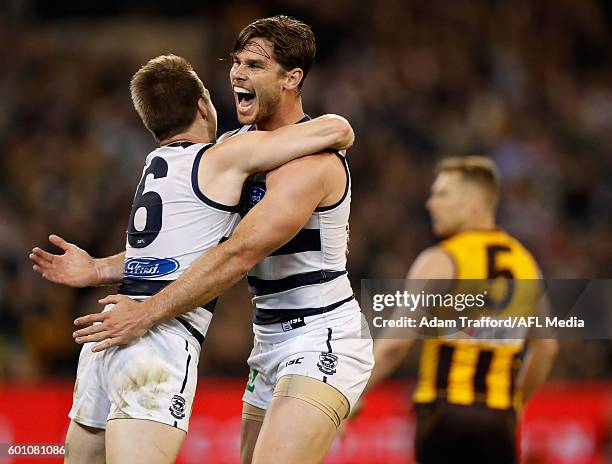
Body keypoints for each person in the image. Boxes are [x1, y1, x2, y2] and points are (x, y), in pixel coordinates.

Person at [55, 16, 374, 464]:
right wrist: (101, 268)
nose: (238, 74)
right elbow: (183, 249)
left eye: (256, 65)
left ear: (292, 78)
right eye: (236, 62)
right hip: (267, 340)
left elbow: (239, 253)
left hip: (323, 335)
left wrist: (145, 314)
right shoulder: (232, 147)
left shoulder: (312, 161)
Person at [358, 156, 558, 463]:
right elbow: (546, 348)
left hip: (445, 413)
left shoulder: (442, 259)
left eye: (442, 194)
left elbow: (395, 344)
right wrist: (514, 403)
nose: (430, 204)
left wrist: (352, 396)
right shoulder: (526, 263)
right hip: (499, 421)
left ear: (474, 202)